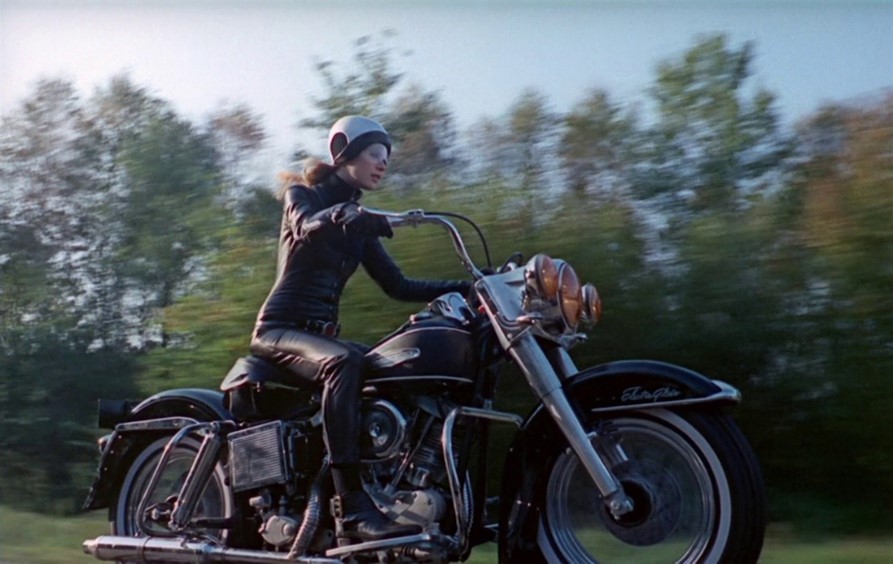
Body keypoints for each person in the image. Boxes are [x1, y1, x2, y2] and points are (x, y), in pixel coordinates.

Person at [250, 116, 470, 543]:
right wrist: (344, 216)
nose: (383, 164)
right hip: (279, 329)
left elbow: (399, 286)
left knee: (391, 366)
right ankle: (349, 504)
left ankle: (386, 487)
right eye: (375, 154)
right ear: (345, 153)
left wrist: (468, 284)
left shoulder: (357, 225)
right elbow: (306, 227)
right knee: (344, 362)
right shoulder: (304, 196)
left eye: (387, 158)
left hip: (319, 338)